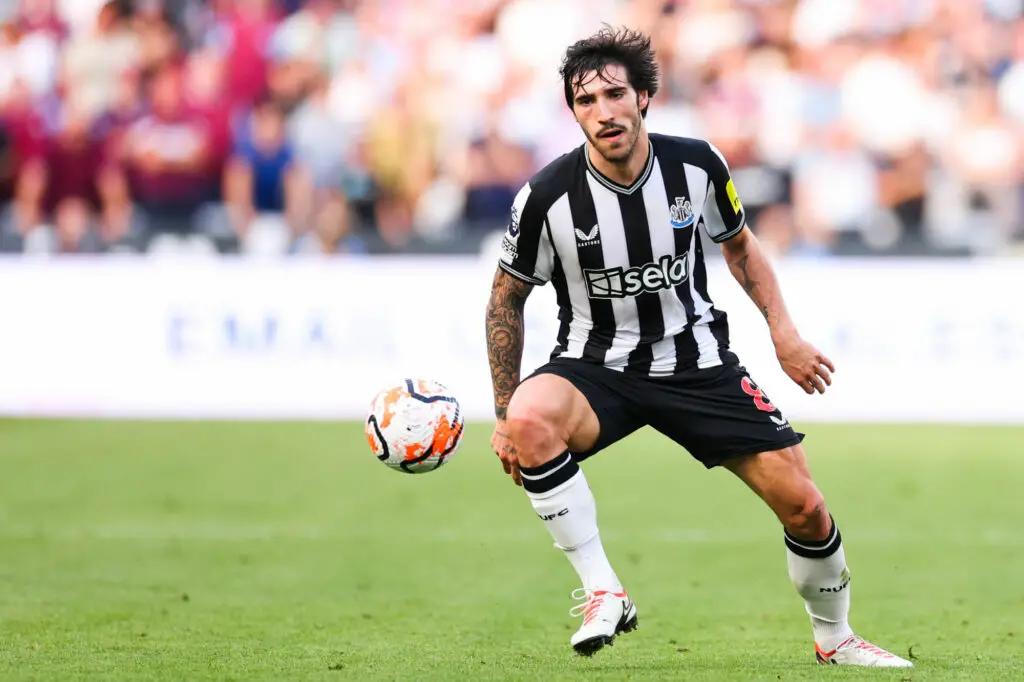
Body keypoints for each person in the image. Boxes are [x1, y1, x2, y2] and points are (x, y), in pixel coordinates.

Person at [484, 26, 912, 668]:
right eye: (585, 101)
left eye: (614, 94)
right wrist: (500, 413)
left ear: (644, 96)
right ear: (573, 113)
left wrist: (783, 332)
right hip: (596, 366)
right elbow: (504, 300)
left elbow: (740, 248)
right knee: (529, 417)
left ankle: (836, 638)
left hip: (697, 363)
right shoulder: (546, 197)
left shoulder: (697, 165)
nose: (603, 112)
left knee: (805, 505)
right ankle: (604, 592)